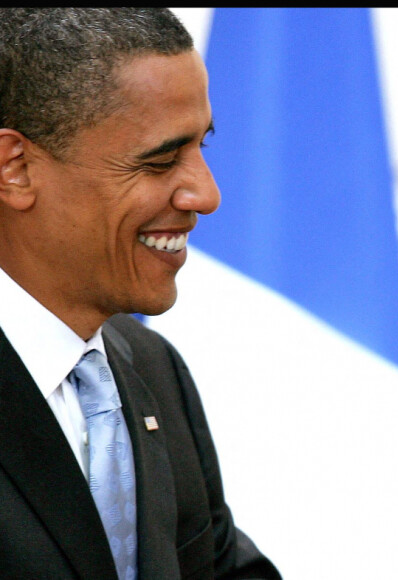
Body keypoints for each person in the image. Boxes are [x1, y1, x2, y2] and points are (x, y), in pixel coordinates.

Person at [0, 7, 282, 580]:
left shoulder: (152, 369)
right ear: (16, 167)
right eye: (159, 162)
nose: (206, 194)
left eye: (203, 147)